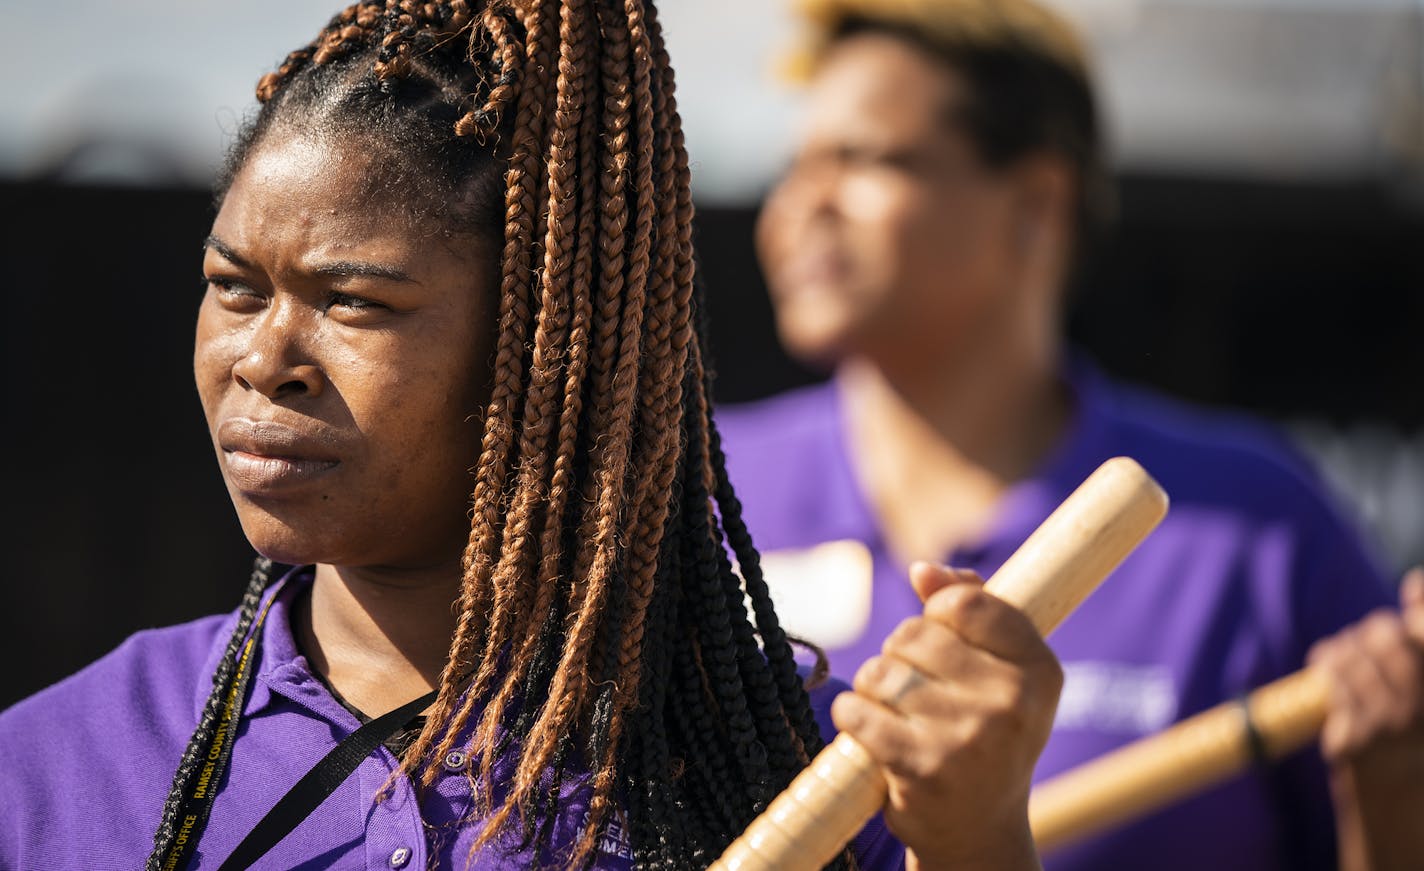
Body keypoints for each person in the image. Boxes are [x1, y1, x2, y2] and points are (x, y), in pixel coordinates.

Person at [0, 1, 1071, 869]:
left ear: (555, 346)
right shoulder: (58, 766)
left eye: (354, 302)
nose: (261, 356)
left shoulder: (807, 780)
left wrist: (976, 841)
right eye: (232, 287)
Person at [716, 0, 1424, 868]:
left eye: (860, 159)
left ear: (1039, 203)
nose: (797, 206)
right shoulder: (694, 499)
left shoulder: (1258, 532)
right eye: (794, 166)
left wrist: (1393, 804)